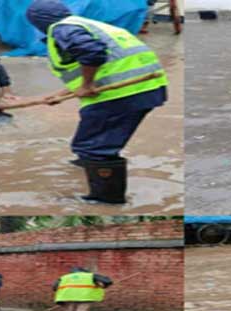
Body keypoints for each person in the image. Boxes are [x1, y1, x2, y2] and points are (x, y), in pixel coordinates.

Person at [25, 0, 169, 204]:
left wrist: (87, 84)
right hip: (147, 88)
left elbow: (92, 53)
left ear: (38, 22)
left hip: (121, 94)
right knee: (100, 139)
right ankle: (93, 164)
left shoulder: (62, 29)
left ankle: (106, 199)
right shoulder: (87, 24)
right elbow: (102, 62)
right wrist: (63, 92)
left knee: (92, 145)